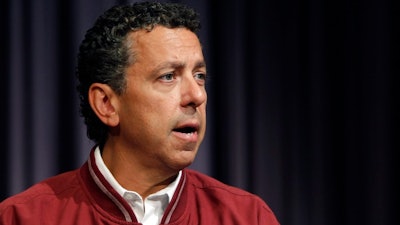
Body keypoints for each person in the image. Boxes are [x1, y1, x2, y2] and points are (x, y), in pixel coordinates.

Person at [0, 2, 280, 225]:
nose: (197, 95)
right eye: (169, 76)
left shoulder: (247, 217)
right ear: (107, 104)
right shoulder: (21, 217)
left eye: (200, 75)